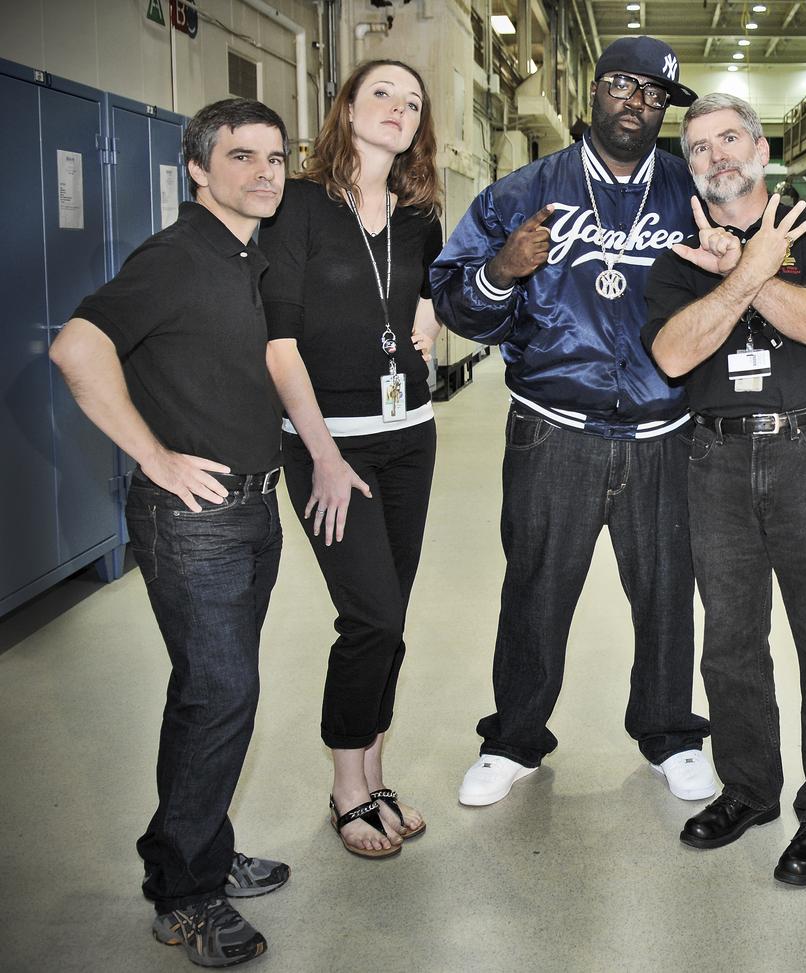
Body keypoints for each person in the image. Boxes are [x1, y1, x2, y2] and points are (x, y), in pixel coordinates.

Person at [432, 36, 712, 807]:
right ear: (595, 90)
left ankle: (671, 733)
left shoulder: (691, 194)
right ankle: (513, 740)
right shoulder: (522, 193)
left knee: (665, 591)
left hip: (663, 429)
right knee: (536, 589)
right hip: (554, 426)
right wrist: (500, 270)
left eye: (655, 96)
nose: (638, 103)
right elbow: (457, 302)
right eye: (625, 86)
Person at [49, 98, 291, 968]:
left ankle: (200, 851)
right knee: (218, 694)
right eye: (242, 157)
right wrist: (152, 454)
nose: (265, 172)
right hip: (196, 520)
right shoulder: (177, 255)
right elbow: (77, 348)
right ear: (198, 168)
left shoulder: (243, 255)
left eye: (275, 156)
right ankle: (185, 895)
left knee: (213, 694)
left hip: (250, 509)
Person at [643, 94, 806, 886]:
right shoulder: (676, 258)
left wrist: (741, 266)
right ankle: (749, 787)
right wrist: (744, 274)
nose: (714, 156)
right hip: (716, 461)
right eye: (698, 147)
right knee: (731, 641)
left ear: (762, 148)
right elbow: (674, 354)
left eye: (728, 138)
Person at [259, 61, 443, 858]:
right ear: (346, 107)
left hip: (411, 436)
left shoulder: (422, 213)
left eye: (412, 102)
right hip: (327, 444)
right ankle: (344, 787)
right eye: (383, 94)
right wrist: (326, 457)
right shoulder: (298, 206)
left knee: (391, 618)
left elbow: (430, 292)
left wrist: (431, 316)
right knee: (369, 615)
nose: (398, 109)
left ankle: (374, 770)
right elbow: (279, 343)